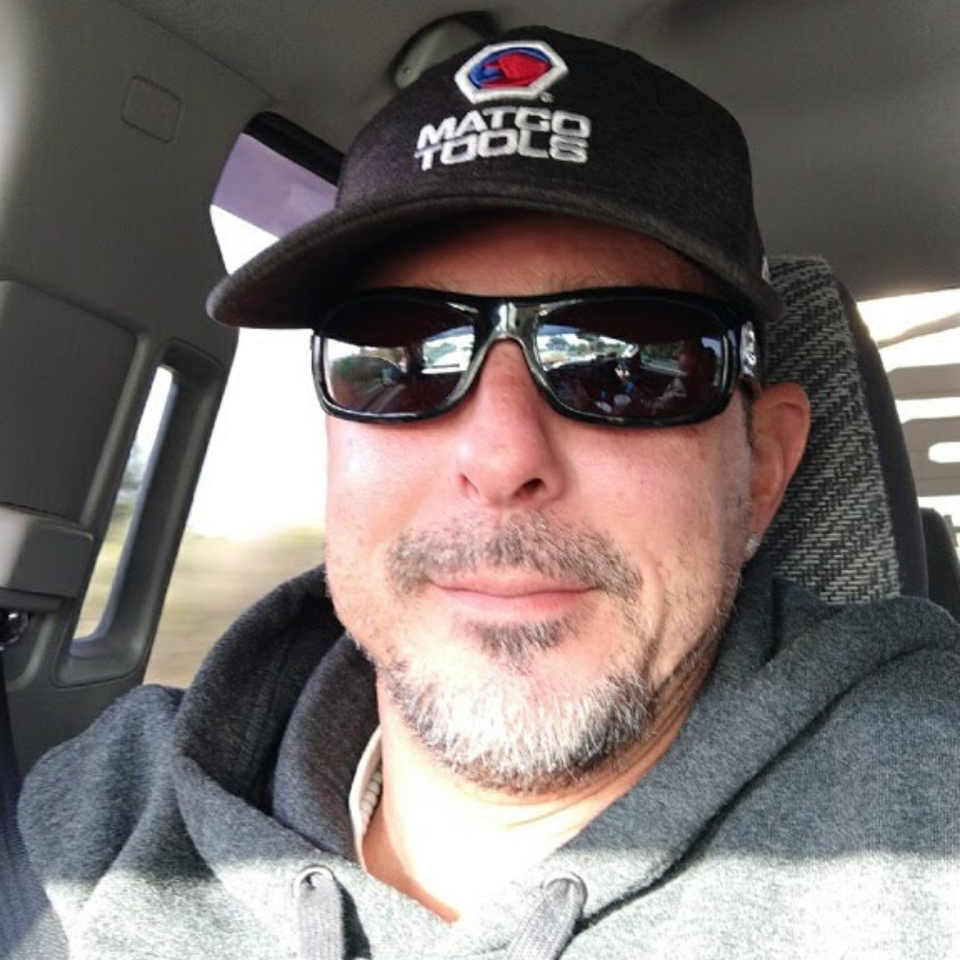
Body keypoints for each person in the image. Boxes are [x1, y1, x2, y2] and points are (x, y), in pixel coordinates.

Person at [18, 26, 960, 960]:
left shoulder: (922, 816)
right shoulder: (102, 824)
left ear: (761, 468)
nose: (501, 456)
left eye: (625, 365)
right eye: (402, 358)